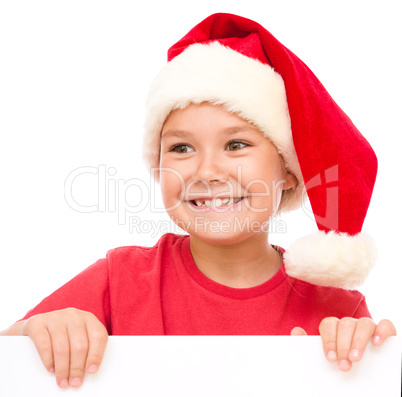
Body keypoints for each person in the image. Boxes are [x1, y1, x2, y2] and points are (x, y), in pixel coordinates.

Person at [0, 13, 396, 389]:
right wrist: (35, 332)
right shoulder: (120, 279)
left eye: (236, 144)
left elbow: (371, 376)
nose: (206, 171)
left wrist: (370, 357)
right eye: (182, 147)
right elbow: (10, 353)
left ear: (289, 169)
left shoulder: (337, 309)